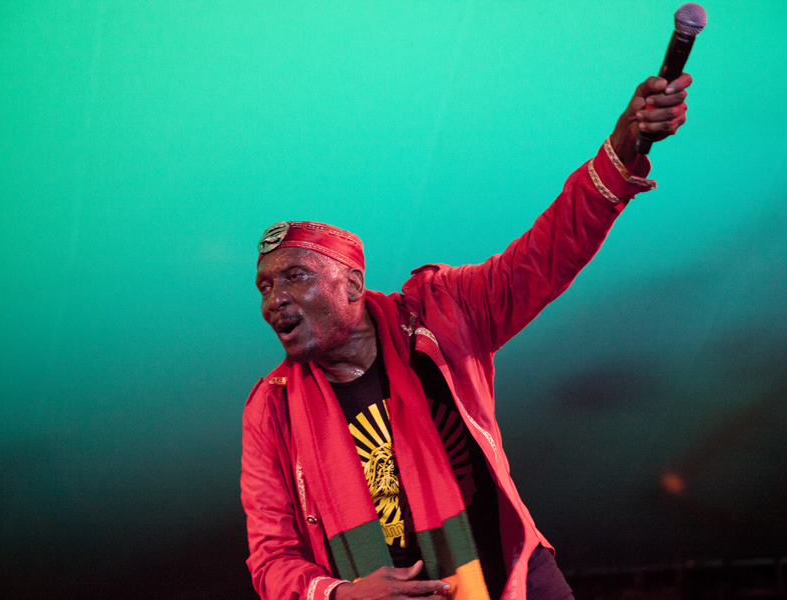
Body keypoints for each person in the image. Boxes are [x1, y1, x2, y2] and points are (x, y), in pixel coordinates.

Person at [241, 73, 693, 600]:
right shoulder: (271, 411)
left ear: (353, 285)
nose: (274, 299)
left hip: (514, 583)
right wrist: (342, 594)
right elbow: (270, 556)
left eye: (296, 276)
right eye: (265, 286)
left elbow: (544, 257)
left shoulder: (442, 311)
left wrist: (621, 152)